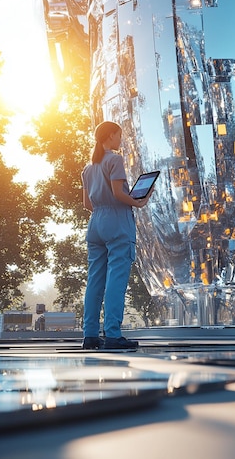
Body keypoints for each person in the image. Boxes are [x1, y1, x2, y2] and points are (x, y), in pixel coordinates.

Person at [81, 121, 152, 350]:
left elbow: (86, 203)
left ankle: (90, 335)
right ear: (110, 136)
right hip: (117, 221)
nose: (120, 140)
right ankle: (112, 334)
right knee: (116, 279)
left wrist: (103, 211)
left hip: (96, 223)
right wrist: (139, 202)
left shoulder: (88, 168)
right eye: (119, 136)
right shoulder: (114, 160)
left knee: (95, 280)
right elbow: (118, 193)